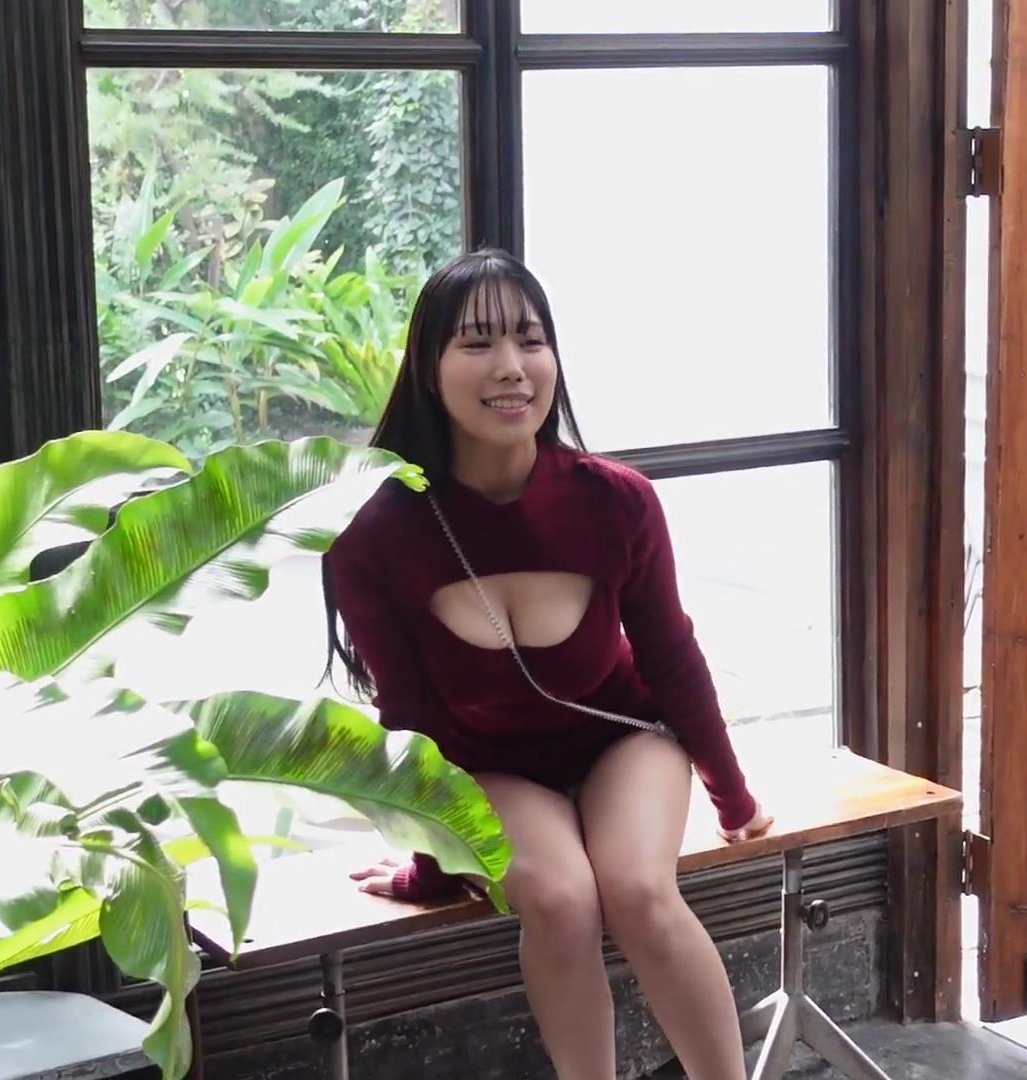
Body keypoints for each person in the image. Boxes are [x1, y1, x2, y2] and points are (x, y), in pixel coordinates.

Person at [321, 248, 773, 1079]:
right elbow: (410, 716)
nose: (511, 367)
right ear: (427, 370)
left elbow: (671, 657)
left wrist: (732, 795)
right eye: (478, 343)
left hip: (622, 739)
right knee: (561, 899)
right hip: (486, 765)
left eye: (530, 340)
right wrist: (432, 861)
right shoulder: (374, 533)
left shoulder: (616, 500)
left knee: (638, 891)